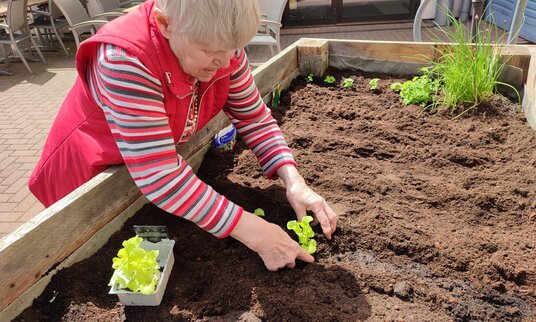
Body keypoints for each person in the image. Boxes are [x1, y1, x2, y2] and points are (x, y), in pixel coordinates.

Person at [29, 0, 337, 271]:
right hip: (88, 176)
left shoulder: (224, 51)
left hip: (150, 171)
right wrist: (258, 233)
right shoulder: (123, 60)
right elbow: (160, 175)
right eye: (209, 50)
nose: (226, 61)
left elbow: (254, 117)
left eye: (233, 49)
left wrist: (294, 181)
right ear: (165, 24)